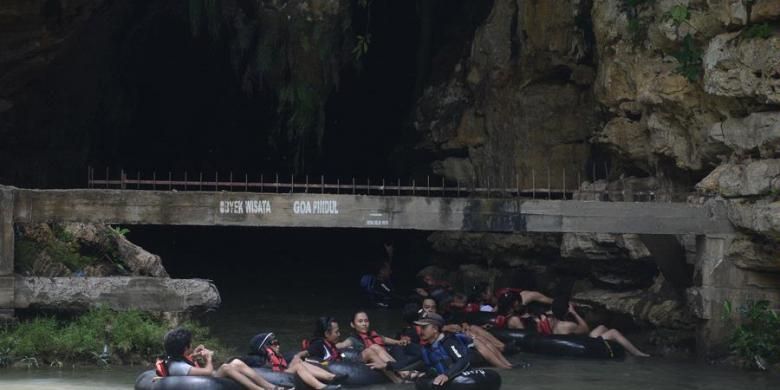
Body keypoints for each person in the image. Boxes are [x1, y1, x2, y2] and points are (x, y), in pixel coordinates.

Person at [156, 328, 283, 390]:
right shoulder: (179, 367)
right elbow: (207, 372)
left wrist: (194, 354)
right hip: (207, 381)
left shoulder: (175, 360)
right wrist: (208, 358)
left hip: (206, 378)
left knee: (237, 362)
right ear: (184, 348)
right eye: (189, 344)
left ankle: (272, 387)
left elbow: (187, 363)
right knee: (225, 367)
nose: (191, 345)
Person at [422, 298, 513, 369]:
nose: (430, 310)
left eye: (433, 307)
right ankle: (503, 366)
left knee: (474, 331)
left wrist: (461, 326)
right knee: (477, 340)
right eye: (427, 307)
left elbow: (450, 326)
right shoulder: (422, 322)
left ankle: (506, 363)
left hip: (452, 339)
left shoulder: (438, 319)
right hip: (447, 345)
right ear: (422, 308)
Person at [240, 332, 344, 390]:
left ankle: (331, 377)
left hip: (281, 373)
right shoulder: (256, 359)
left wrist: (297, 357)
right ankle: (320, 387)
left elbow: (291, 357)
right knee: (298, 366)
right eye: (274, 343)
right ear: (263, 347)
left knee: (298, 362)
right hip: (273, 378)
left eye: (278, 342)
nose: (278, 345)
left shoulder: (279, 356)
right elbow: (239, 361)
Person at [544, 301, 650, 357]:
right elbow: (585, 329)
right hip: (587, 346)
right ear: (566, 311)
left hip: (579, 341)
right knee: (613, 332)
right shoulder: (567, 325)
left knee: (601, 327)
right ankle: (637, 353)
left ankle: (621, 347)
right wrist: (574, 313)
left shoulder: (553, 322)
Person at [340, 311, 409, 383]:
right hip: (362, 361)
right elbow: (341, 345)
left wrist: (399, 341)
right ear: (353, 324)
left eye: (366, 321)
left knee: (375, 346)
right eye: (360, 321)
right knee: (372, 348)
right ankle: (400, 375)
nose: (364, 324)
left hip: (381, 361)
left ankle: (402, 372)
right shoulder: (352, 339)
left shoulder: (374, 335)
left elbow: (386, 339)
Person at [415, 312, 472, 387]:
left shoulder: (448, 341)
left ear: (435, 329)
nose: (420, 331)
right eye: (420, 327)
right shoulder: (426, 348)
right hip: (444, 380)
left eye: (424, 327)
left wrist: (446, 375)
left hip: (460, 378)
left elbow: (462, 360)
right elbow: (432, 367)